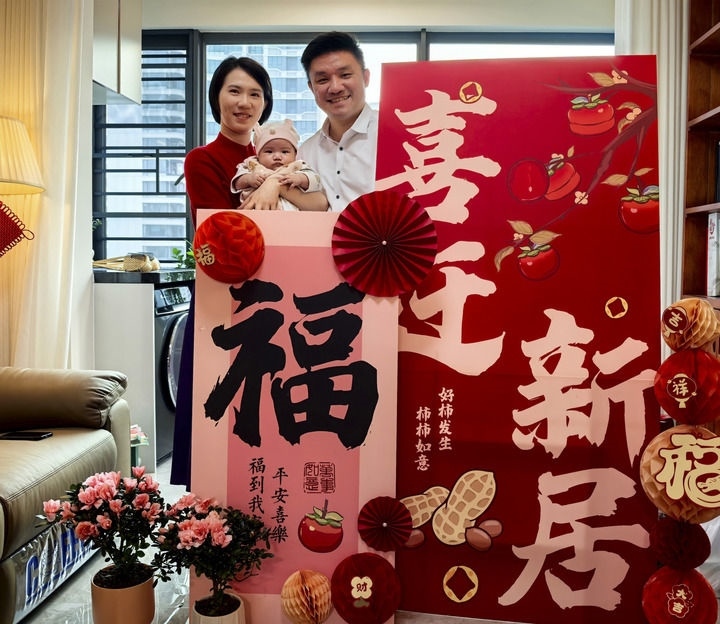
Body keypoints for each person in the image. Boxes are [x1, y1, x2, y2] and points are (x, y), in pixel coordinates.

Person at [172, 57, 326, 488]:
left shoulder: (279, 154)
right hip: (226, 294)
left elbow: (320, 207)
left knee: (270, 405)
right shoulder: (203, 159)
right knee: (219, 405)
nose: (244, 102)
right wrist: (273, 185)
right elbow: (220, 230)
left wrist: (276, 182)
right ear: (216, 98)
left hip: (280, 293)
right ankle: (211, 510)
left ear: (265, 102)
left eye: (255, 94)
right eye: (234, 91)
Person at [298, 31, 379, 212]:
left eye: (345, 75)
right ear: (311, 88)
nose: (335, 88)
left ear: (366, 77)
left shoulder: (394, 136)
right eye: (323, 79)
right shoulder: (305, 153)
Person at [231, 119, 328, 211]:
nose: (277, 156)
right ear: (258, 154)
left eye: (284, 152)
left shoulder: (297, 167)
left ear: (295, 154)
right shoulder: (252, 165)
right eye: (269, 151)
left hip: (292, 217)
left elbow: (316, 180)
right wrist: (248, 179)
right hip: (257, 213)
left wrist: (300, 178)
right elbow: (237, 183)